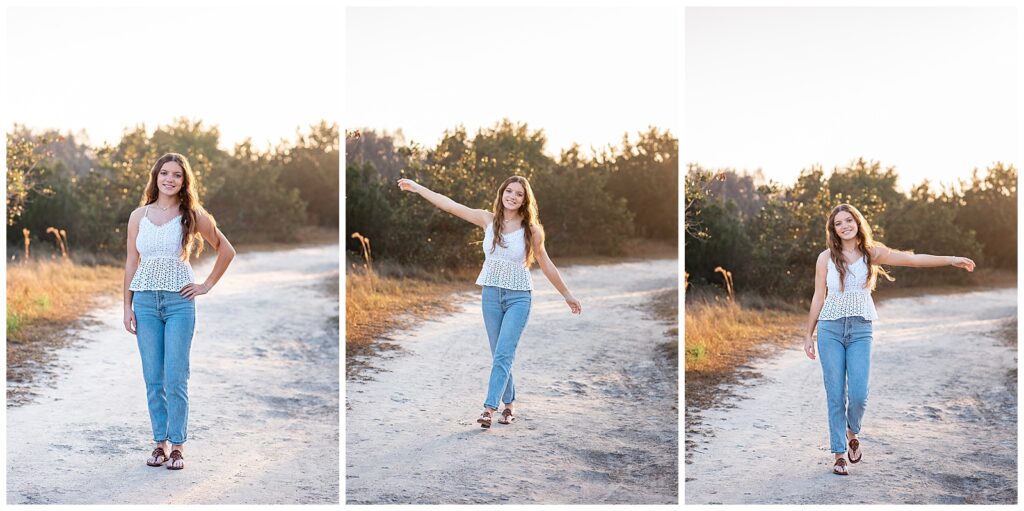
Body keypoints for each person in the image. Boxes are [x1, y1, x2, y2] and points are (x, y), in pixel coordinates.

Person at [397, 175, 582, 428]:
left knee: (504, 353)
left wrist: (567, 294)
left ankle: (489, 408)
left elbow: (545, 262)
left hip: (519, 297)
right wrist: (417, 188)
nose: (512, 196)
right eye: (509, 191)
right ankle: (510, 404)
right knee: (499, 355)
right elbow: (449, 205)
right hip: (491, 295)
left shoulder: (533, 230)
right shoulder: (488, 220)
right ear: (501, 193)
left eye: (519, 193)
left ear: (525, 200)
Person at [803, 203, 975, 475]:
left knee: (859, 394)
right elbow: (818, 296)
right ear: (833, 229)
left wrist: (951, 259)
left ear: (858, 223)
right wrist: (808, 334)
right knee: (835, 393)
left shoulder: (872, 253)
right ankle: (838, 454)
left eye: (849, 220)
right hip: (830, 329)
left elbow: (913, 259)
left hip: (860, 329)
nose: (845, 225)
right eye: (839, 223)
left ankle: (851, 431)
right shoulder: (825, 258)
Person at [123, 153, 236, 470]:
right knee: (152, 378)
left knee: (175, 377)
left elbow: (227, 250)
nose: (170, 179)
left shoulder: (192, 214)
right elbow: (132, 262)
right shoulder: (138, 216)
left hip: (179, 303)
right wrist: (126, 306)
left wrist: (206, 285)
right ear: (155, 177)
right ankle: (158, 444)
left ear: (184, 181)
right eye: (164, 173)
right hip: (144, 302)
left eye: (177, 175)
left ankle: (177, 446)